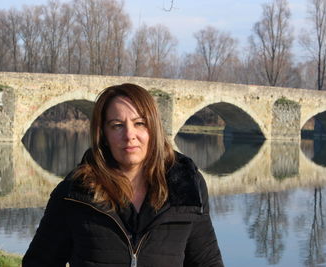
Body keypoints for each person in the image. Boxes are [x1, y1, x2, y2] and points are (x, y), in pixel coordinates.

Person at [22, 83, 224, 267]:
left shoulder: (187, 189)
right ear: (104, 134)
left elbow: (207, 262)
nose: (129, 135)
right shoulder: (74, 193)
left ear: (153, 128)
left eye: (139, 123)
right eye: (117, 125)